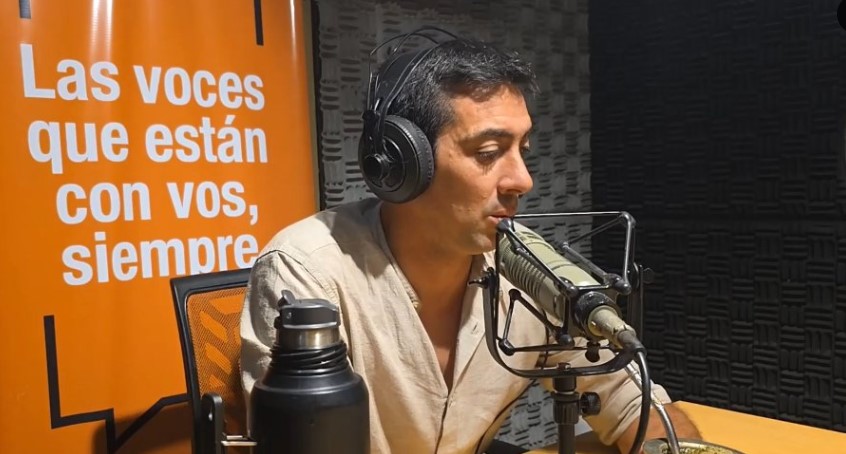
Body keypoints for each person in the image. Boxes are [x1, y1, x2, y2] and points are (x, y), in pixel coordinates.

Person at [241, 33, 700, 453]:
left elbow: (635, 407)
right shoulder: (308, 272)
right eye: (488, 153)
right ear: (402, 165)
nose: (523, 180)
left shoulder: (528, 269)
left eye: (523, 149)